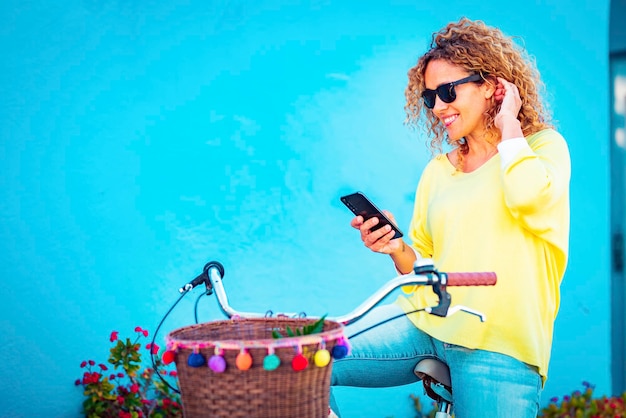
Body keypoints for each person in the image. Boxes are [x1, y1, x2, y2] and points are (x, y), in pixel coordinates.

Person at [330, 17, 570, 418]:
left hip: (499, 344)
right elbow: (423, 269)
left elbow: (528, 197)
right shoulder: (439, 170)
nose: (438, 107)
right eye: (430, 97)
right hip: (428, 325)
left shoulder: (543, 148)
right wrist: (395, 248)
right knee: (311, 358)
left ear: (494, 86)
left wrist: (508, 123)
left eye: (447, 91)